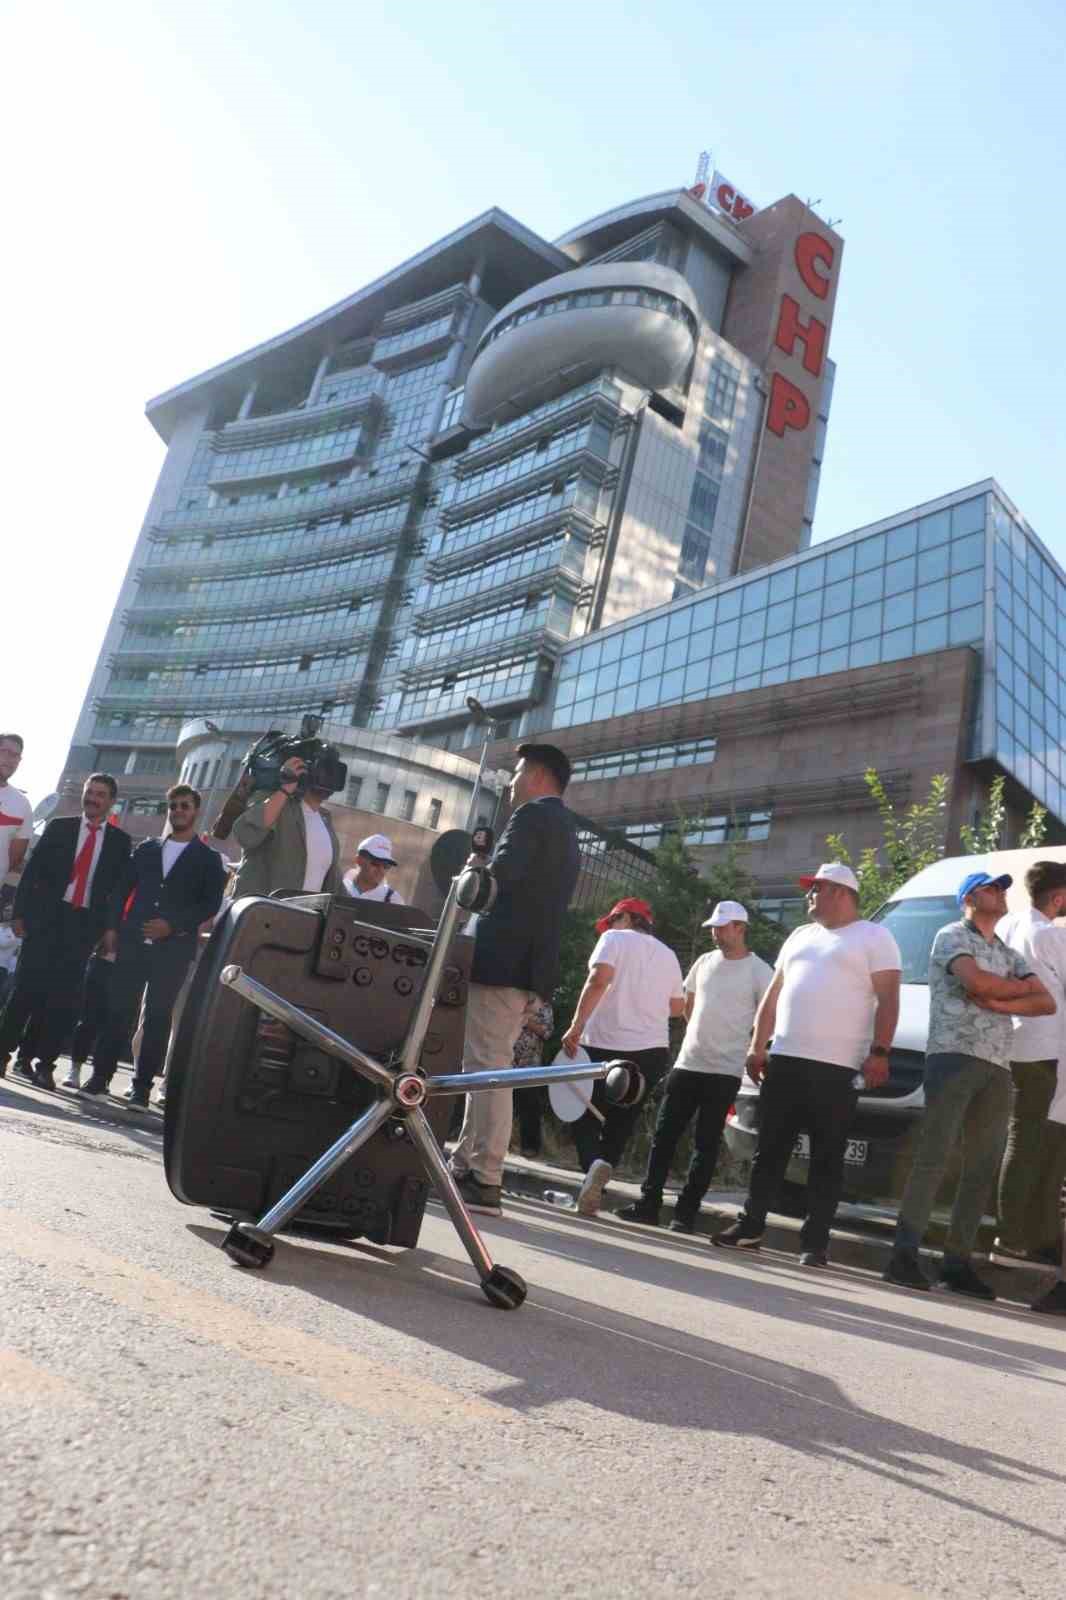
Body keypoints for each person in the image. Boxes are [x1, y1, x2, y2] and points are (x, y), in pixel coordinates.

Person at [713, 862, 901, 1267]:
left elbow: (889, 999)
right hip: (784, 1059)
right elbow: (774, 995)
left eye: (816, 888)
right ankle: (750, 1228)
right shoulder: (800, 935)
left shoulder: (875, 936)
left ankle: (814, 1243)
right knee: (770, 1150)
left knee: (827, 1158)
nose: (809, 896)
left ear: (840, 891)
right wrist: (757, 1045)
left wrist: (880, 1052)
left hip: (837, 1068)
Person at [883, 869, 1055, 1300]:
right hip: (953, 1057)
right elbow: (973, 981)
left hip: (997, 1065)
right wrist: (1009, 991)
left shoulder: (1008, 951)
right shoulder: (951, 936)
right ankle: (903, 1255)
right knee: (934, 1158)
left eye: (1001, 889)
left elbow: (1046, 1001)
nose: (999, 893)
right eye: (989, 888)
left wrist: (996, 999)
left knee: (980, 1169)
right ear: (968, 898)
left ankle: (955, 1265)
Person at [449, 743, 579, 1218]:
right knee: (482, 1065)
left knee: (488, 1067)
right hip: (529, 968)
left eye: (518, 772)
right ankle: (465, 1163)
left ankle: (485, 1177)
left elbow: (498, 879)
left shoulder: (530, 818)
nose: (510, 781)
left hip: (502, 962)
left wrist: (470, 873)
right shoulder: (566, 828)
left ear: (540, 776)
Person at [617, 900, 774, 1232]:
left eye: (722, 927)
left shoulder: (760, 971)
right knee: (664, 1136)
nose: (716, 933)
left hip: (726, 1070)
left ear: (740, 928)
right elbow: (687, 1004)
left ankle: (685, 1214)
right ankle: (648, 1203)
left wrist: (751, 1047)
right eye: (713, 928)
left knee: (705, 1143)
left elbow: (769, 1016)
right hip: (689, 1062)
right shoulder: (704, 962)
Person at [82, 785, 227, 1107]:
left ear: (196, 811)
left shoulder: (207, 859)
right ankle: (99, 1078)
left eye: (184, 806)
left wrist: (172, 926)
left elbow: (209, 904)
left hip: (173, 950)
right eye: (173, 805)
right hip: (132, 943)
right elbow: (121, 890)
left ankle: (141, 1087)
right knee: (118, 1009)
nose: (178, 810)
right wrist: (111, 928)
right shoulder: (147, 849)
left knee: (158, 1017)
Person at [0, 775, 131, 1089]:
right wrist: (19, 914)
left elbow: (117, 891)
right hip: (46, 919)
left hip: (83, 926)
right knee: (26, 989)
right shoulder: (60, 827)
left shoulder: (119, 841)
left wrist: (109, 930)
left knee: (63, 1000)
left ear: (111, 801)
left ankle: (45, 1064)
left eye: (100, 795)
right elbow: (32, 872)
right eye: (89, 793)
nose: (93, 799)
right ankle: (3, 1052)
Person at [561, 897, 685, 1218]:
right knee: (622, 1121)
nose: (609, 926)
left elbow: (597, 980)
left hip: (604, 1044)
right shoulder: (668, 954)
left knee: (582, 1113)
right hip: (652, 1051)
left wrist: (576, 1026)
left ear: (627, 918)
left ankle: (591, 1171)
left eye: (613, 919)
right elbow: (676, 1008)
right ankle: (598, 1181)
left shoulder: (613, 939)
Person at [995, 861, 1066, 1266]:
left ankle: (1017, 1235)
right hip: (1044, 1047)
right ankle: (1012, 1238)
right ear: (1057, 898)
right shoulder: (1050, 936)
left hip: (1011, 1043)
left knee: (1020, 1140)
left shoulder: (1008, 927)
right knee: (1027, 1144)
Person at [231, 755, 341, 899]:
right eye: (324, 770)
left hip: (301, 918)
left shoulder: (326, 821)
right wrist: (286, 788)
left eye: (333, 772)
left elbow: (333, 884)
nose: (329, 778)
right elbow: (246, 835)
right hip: (260, 914)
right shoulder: (278, 802)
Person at [512, 996, 553, 1158]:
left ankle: (530, 1147)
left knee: (529, 1107)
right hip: (504, 1062)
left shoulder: (544, 1005)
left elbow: (547, 1032)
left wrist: (526, 1021)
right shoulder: (512, 997)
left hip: (530, 1067)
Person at [0, 733, 33, 887]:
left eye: (16, 756)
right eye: (5, 752)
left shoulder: (22, 804)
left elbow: (15, 857)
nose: (11, 759)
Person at [342, 834, 405, 904]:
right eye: (376, 863)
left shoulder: (393, 899)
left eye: (386, 865)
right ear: (358, 860)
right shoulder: (340, 887)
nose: (381, 870)